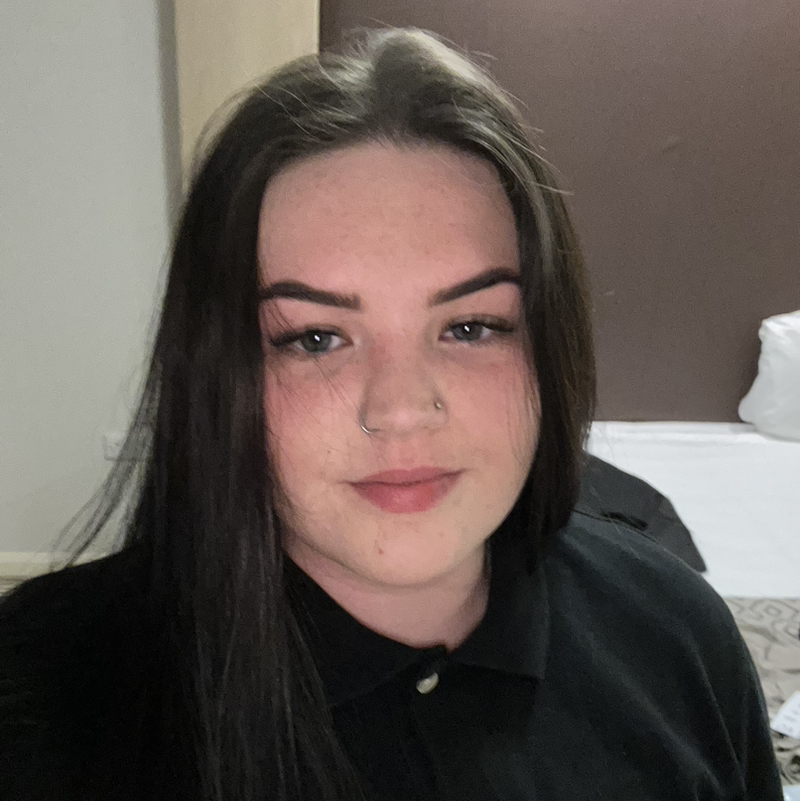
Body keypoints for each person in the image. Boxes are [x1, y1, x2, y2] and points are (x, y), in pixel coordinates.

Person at [0, 28, 782, 801]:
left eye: (470, 327)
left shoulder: (679, 636)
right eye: (315, 338)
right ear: (217, 369)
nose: (403, 410)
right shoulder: (42, 695)